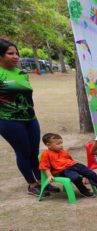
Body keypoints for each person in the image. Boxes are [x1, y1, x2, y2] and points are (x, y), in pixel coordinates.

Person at [0, 38, 54, 196]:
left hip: (30, 119)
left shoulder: (22, 73)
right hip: (9, 121)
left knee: (33, 151)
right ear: (1, 56)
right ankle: (32, 185)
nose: (16, 56)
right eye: (10, 53)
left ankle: (42, 181)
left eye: (16, 53)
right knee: (23, 151)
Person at [39, 133, 97, 197]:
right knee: (76, 177)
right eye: (58, 144)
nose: (61, 145)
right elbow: (45, 166)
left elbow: (70, 160)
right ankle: (84, 191)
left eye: (61, 143)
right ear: (48, 145)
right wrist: (49, 175)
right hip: (63, 170)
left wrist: (78, 168)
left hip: (74, 165)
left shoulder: (62, 151)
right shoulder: (46, 153)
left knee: (91, 173)